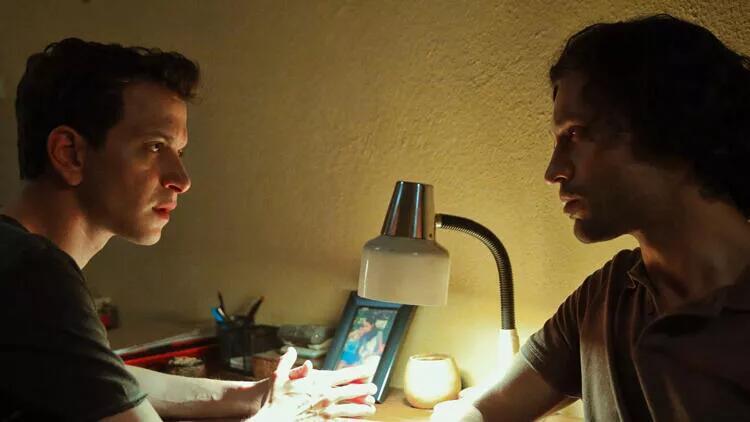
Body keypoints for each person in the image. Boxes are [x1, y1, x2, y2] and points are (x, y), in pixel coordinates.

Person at [0, 38, 376, 421]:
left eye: (178, 152)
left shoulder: (15, 257)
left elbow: (104, 378)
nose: (181, 179)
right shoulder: (35, 277)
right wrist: (285, 414)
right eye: (154, 146)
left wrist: (257, 395)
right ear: (69, 153)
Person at [436, 14, 750, 422]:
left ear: (671, 129)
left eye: (575, 134)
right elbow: (486, 408)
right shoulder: (609, 295)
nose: (553, 172)